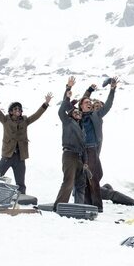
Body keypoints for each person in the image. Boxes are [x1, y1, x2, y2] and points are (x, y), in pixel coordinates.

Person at [0, 85, 52, 194]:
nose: (18, 110)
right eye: (15, 109)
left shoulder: (25, 121)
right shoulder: (5, 120)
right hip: (7, 155)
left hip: (20, 157)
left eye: (19, 109)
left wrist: (45, 104)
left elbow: (36, 115)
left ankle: (21, 199)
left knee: (20, 182)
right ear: (11, 111)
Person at [76, 77, 118, 212]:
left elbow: (109, 105)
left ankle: (98, 206)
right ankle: (88, 203)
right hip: (82, 151)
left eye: (90, 102)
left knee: (94, 177)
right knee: (85, 177)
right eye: (86, 103)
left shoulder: (96, 115)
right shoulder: (79, 115)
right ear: (82, 106)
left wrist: (112, 90)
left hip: (92, 149)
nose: (89, 103)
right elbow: (82, 100)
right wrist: (89, 90)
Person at [54, 77, 87, 208]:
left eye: (80, 112)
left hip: (79, 157)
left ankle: (79, 207)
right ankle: (59, 206)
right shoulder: (67, 122)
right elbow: (62, 109)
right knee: (68, 182)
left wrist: (85, 162)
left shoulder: (81, 127)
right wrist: (68, 89)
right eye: (75, 111)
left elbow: (83, 146)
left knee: (80, 184)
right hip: (69, 155)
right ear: (71, 114)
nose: (78, 113)